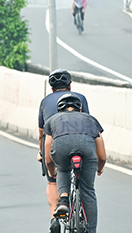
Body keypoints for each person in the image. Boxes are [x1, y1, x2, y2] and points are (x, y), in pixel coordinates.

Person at [44, 94, 106, 233]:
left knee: (64, 169)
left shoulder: (52, 120)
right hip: (86, 150)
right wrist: (100, 168)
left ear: (59, 110)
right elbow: (101, 154)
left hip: (62, 149)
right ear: (80, 110)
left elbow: (48, 151)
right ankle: (91, 230)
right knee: (88, 191)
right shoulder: (90, 119)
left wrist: (52, 170)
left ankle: (64, 200)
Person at [37, 69, 90, 214]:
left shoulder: (45, 101)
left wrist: (41, 153)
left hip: (55, 143)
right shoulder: (81, 98)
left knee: (53, 180)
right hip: (81, 142)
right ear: (70, 86)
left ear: (52, 88)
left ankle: (56, 218)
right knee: (87, 184)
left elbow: (42, 134)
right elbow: (87, 123)